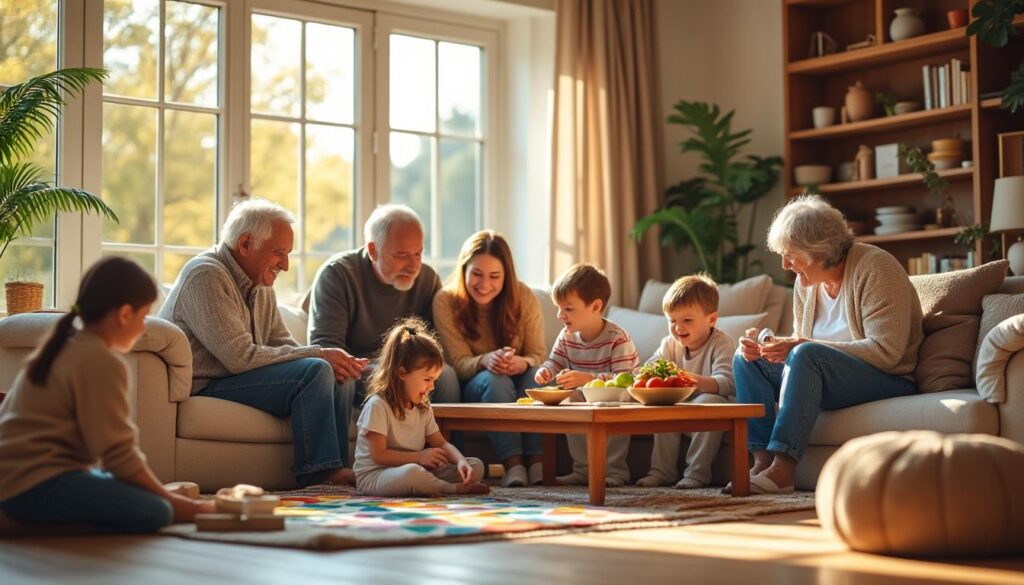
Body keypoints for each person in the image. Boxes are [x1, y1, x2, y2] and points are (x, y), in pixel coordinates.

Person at [0, 258, 214, 533]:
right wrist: (184, 506)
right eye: (144, 315)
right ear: (125, 314)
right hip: (32, 486)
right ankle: (19, 523)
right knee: (156, 510)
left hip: (12, 479)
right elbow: (119, 457)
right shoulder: (100, 360)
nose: (143, 328)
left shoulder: (62, 344)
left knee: (128, 490)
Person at [160, 199, 361, 487]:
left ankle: (336, 468)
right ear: (244, 244)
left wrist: (329, 358)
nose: (286, 265)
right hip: (207, 384)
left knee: (337, 372)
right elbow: (239, 357)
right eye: (279, 253)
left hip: (240, 378)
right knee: (317, 368)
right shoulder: (205, 274)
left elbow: (282, 342)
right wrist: (318, 355)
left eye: (288, 254)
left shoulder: (259, 284)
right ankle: (319, 472)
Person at [734, 194, 923, 494]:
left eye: (791, 255)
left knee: (807, 353)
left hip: (887, 379)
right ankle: (762, 463)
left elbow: (887, 352)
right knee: (746, 359)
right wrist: (769, 347)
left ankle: (783, 471)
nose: (785, 264)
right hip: (822, 375)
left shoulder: (877, 268)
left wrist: (800, 345)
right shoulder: (805, 283)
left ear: (820, 250)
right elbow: (801, 350)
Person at [304, 204, 460, 405]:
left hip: (408, 369)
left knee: (447, 377)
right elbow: (326, 347)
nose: (414, 266)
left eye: (418, 254)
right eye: (401, 255)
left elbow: (431, 346)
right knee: (341, 379)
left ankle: (444, 438)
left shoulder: (427, 280)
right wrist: (390, 370)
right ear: (372, 250)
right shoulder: (337, 275)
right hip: (358, 372)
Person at [432, 230, 547, 487]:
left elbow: (539, 354)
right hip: (476, 385)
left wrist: (522, 362)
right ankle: (514, 465)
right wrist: (485, 360)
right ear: (464, 270)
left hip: (518, 378)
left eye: (495, 276)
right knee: (496, 379)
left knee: (536, 374)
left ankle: (538, 464)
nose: (485, 285)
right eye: (477, 274)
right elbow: (458, 364)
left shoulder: (524, 298)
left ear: (506, 276)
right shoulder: (445, 301)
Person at [353, 318, 489, 496]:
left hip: (415, 467)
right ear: (402, 372)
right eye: (427, 379)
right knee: (413, 474)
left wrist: (461, 461)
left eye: (434, 380)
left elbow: (441, 443)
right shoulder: (378, 405)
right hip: (376, 475)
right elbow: (379, 456)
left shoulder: (422, 408)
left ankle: (434, 482)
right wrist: (419, 457)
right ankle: (452, 489)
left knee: (475, 466)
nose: (432, 387)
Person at [534, 263, 639, 487]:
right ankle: (583, 469)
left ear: (595, 306)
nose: (560, 315)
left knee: (607, 405)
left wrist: (587, 379)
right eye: (559, 308)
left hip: (618, 400)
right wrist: (546, 371)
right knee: (569, 398)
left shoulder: (617, 338)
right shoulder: (566, 335)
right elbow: (555, 360)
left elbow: (624, 381)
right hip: (583, 396)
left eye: (568, 309)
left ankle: (614, 471)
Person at [634, 274, 736, 489]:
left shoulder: (721, 342)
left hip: (711, 404)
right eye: (672, 321)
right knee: (662, 404)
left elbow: (726, 382)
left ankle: (697, 473)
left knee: (710, 401)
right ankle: (662, 471)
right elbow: (650, 367)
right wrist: (643, 375)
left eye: (687, 320)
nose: (678, 328)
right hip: (682, 406)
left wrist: (693, 381)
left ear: (711, 319)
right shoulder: (670, 344)